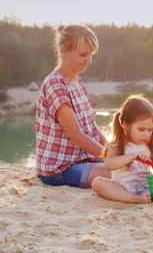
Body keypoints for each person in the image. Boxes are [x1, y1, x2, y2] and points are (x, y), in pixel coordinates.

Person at [35, 25, 110, 188]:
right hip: (60, 169)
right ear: (64, 51)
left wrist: (111, 149)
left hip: (82, 159)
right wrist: (109, 157)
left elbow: (91, 127)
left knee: (133, 168)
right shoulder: (55, 84)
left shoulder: (76, 81)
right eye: (83, 54)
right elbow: (76, 135)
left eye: (91, 54)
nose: (88, 60)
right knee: (125, 175)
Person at [91, 95, 153, 204]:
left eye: (150, 130)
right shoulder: (118, 146)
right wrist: (130, 157)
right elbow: (109, 164)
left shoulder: (149, 147)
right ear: (125, 124)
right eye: (141, 129)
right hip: (123, 188)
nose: (146, 134)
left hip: (146, 189)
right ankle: (134, 199)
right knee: (97, 182)